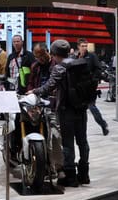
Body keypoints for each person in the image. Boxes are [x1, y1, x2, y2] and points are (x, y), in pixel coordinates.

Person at [32, 39, 90, 187]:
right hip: (81, 108)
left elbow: (49, 87)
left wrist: (35, 91)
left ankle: (70, 177)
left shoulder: (59, 68)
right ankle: (84, 173)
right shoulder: (81, 63)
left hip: (66, 109)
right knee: (82, 142)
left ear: (55, 54)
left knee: (68, 144)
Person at [76, 38, 109, 136]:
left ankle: (103, 124)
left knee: (92, 107)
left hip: (90, 88)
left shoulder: (92, 56)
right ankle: (80, 131)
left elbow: (98, 69)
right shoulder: (75, 57)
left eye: (85, 46)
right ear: (78, 47)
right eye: (82, 46)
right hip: (78, 88)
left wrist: (93, 80)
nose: (84, 48)